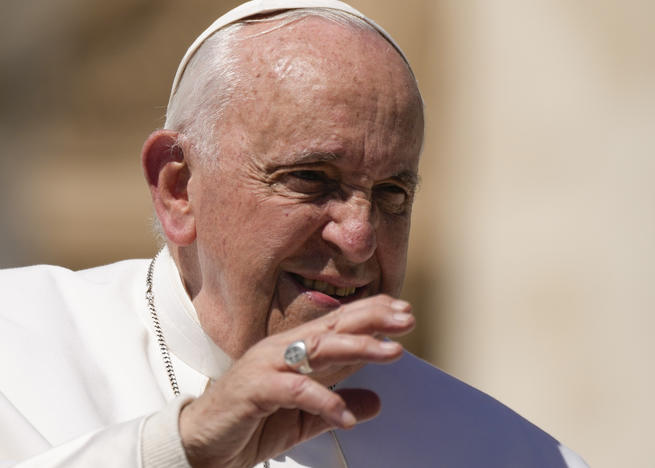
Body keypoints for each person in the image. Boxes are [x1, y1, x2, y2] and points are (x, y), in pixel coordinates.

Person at [0, 1, 588, 467]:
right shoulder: (17, 344)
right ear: (177, 187)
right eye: (310, 179)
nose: (358, 238)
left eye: (392, 195)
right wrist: (178, 448)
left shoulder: (503, 453)